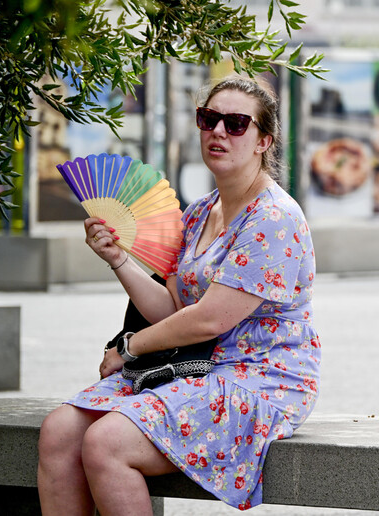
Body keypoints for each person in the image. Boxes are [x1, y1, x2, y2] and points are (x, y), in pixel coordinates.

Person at [37, 75, 321, 515]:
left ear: (264, 140)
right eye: (209, 119)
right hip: (193, 367)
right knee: (58, 431)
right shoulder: (199, 212)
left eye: (236, 123)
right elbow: (172, 310)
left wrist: (128, 349)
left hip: (258, 379)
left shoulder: (273, 218)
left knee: (107, 443)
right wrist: (118, 259)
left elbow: (208, 321)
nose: (219, 132)